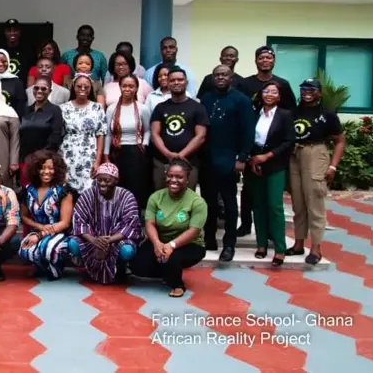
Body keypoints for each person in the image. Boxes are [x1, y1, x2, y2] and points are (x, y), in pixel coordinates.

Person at [199, 64, 254, 261]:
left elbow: (248, 131)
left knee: (230, 204)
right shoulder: (206, 99)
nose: (220, 78)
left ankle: (229, 244)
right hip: (207, 160)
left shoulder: (242, 100)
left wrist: (242, 158)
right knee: (208, 203)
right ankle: (209, 238)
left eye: (224, 75)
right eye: (217, 75)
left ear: (231, 77)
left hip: (230, 160)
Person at [288, 78, 345, 265]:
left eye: (311, 88)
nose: (307, 91)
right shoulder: (294, 111)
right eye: (303, 88)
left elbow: (340, 141)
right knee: (298, 202)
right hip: (295, 154)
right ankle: (298, 244)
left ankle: (316, 248)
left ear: (319, 92)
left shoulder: (327, 114)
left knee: (314, 201)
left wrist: (333, 166)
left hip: (316, 152)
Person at [131, 158, 207, 297]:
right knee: (137, 266)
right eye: (170, 176)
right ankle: (166, 272)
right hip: (160, 241)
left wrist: (171, 245)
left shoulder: (197, 202)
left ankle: (177, 284)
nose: (173, 180)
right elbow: (150, 223)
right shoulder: (156, 197)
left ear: (187, 179)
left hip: (189, 244)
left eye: (179, 177)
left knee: (173, 259)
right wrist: (156, 243)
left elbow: (193, 231)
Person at [246, 81, 295, 267]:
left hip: (275, 164)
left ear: (279, 96)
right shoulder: (253, 114)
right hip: (255, 163)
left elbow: (289, 141)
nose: (269, 94)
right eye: (266, 91)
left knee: (274, 206)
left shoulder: (285, 115)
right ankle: (261, 245)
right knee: (257, 205)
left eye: (274, 92)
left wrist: (266, 157)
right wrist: (253, 159)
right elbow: (248, 137)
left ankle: (280, 249)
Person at [72, 162, 143, 284]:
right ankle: (88, 265)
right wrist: (95, 241)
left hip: (117, 239)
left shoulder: (127, 197)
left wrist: (107, 241)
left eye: (107, 180)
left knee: (127, 250)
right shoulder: (88, 195)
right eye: (99, 180)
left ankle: (121, 266)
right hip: (93, 238)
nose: (102, 184)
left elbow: (131, 226)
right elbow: (78, 221)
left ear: (116, 180)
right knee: (73, 244)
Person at [18, 150, 76, 280]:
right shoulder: (28, 189)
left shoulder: (63, 190)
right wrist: (38, 226)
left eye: (51, 168)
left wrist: (40, 235)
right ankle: (41, 266)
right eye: (42, 168)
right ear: (35, 169)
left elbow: (65, 223)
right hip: (39, 231)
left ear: (57, 170)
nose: (46, 172)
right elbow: (23, 216)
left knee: (47, 248)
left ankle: (56, 269)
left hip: (60, 233)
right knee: (24, 249)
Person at [150, 66, 209, 190]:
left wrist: (181, 155)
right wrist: (168, 154)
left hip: (189, 162)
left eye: (180, 80)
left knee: (185, 200)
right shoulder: (160, 108)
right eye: (172, 80)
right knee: (161, 198)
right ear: (168, 83)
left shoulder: (198, 107)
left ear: (186, 83)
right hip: (162, 162)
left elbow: (201, 136)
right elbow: (155, 134)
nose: (176, 83)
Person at [104, 74, 151, 209]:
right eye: (124, 86)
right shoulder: (112, 109)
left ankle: (134, 218)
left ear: (136, 88)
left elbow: (147, 130)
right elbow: (107, 132)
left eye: (131, 86)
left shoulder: (142, 108)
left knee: (135, 186)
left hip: (136, 151)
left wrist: (144, 144)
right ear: (120, 87)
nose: (127, 89)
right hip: (116, 151)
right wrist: (106, 156)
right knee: (117, 185)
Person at [59, 73, 106, 193]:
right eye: (79, 86)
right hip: (68, 154)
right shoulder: (63, 108)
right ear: (74, 87)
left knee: (89, 189)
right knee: (67, 190)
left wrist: (98, 160)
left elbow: (100, 134)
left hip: (89, 154)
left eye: (86, 87)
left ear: (91, 88)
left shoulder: (97, 108)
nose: (83, 89)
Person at [19, 77, 64, 186]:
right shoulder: (25, 110)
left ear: (50, 91)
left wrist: (39, 157)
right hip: (25, 160)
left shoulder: (55, 110)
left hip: (45, 161)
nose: (39, 91)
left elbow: (56, 136)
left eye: (43, 89)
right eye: (36, 88)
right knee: (26, 191)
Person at [235, 46, 296, 111]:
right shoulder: (244, 84)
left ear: (274, 61)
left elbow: (291, 110)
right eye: (261, 58)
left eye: (268, 58)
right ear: (256, 61)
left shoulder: (283, 84)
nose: (265, 60)